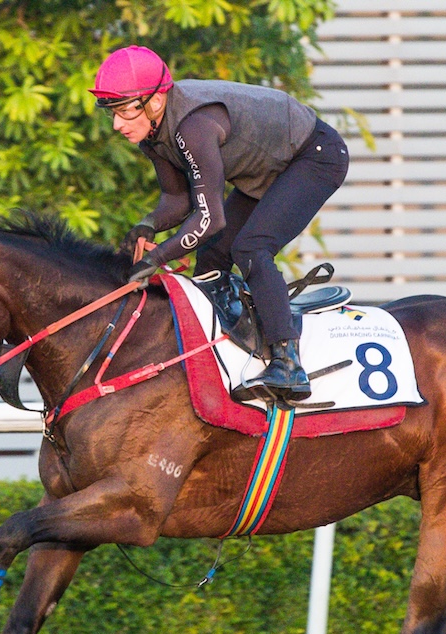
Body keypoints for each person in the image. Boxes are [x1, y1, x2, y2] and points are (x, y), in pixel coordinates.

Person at [90, 45, 350, 403]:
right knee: (213, 256)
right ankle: (228, 345)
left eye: (123, 110)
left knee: (251, 247)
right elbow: (178, 201)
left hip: (314, 157)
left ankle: (288, 363)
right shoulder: (153, 134)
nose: (117, 124)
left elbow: (209, 219)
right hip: (271, 168)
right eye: (112, 113)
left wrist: (155, 260)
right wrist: (147, 226)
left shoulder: (193, 128)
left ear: (154, 101)